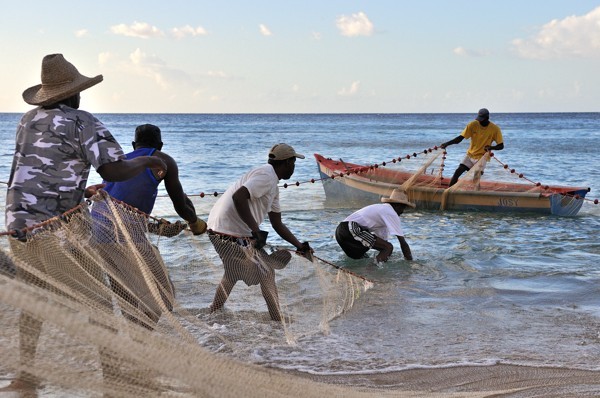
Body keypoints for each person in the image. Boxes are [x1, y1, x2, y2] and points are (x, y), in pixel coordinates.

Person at [2, 53, 167, 394]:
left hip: (19, 224)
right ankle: (112, 378)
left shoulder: (27, 119)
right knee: (99, 303)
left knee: (36, 298)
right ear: (75, 93)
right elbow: (114, 170)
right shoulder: (82, 121)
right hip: (60, 228)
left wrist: (79, 187)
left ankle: (26, 376)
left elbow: (47, 169)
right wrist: (149, 159)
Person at [90, 123, 207, 328]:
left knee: (125, 296)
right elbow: (180, 204)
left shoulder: (121, 161)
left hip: (97, 230)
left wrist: (157, 227)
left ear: (134, 144)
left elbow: (122, 203)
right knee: (164, 294)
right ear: (160, 145)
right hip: (125, 234)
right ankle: (142, 341)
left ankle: (130, 348)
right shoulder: (163, 160)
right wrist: (195, 222)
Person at [206, 143, 313, 321]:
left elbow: (277, 224)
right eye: (293, 163)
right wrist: (256, 231)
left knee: (233, 273)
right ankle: (277, 319)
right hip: (230, 232)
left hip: (219, 231)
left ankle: (213, 312)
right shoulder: (267, 175)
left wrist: (300, 246)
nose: (294, 167)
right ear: (286, 163)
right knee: (266, 272)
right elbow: (238, 197)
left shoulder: (273, 185)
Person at [335, 189, 414, 263]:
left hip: (341, 232)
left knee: (363, 258)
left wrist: (387, 256)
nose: (402, 212)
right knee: (388, 247)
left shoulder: (383, 212)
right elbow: (402, 242)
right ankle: (371, 272)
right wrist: (410, 263)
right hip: (350, 228)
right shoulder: (391, 213)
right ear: (398, 206)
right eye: (403, 208)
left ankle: (365, 272)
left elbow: (382, 245)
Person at [440, 108, 504, 187]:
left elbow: (501, 146)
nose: (480, 121)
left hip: (482, 158)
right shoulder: (473, 125)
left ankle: (476, 196)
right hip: (470, 155)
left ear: (487, 118)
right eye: (479, 119)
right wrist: (447, 143)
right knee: (457, 172)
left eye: (482, 119)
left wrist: (491, 147)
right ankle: (448, 192)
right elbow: (460, 138)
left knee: (476, 179)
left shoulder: (495, 129)